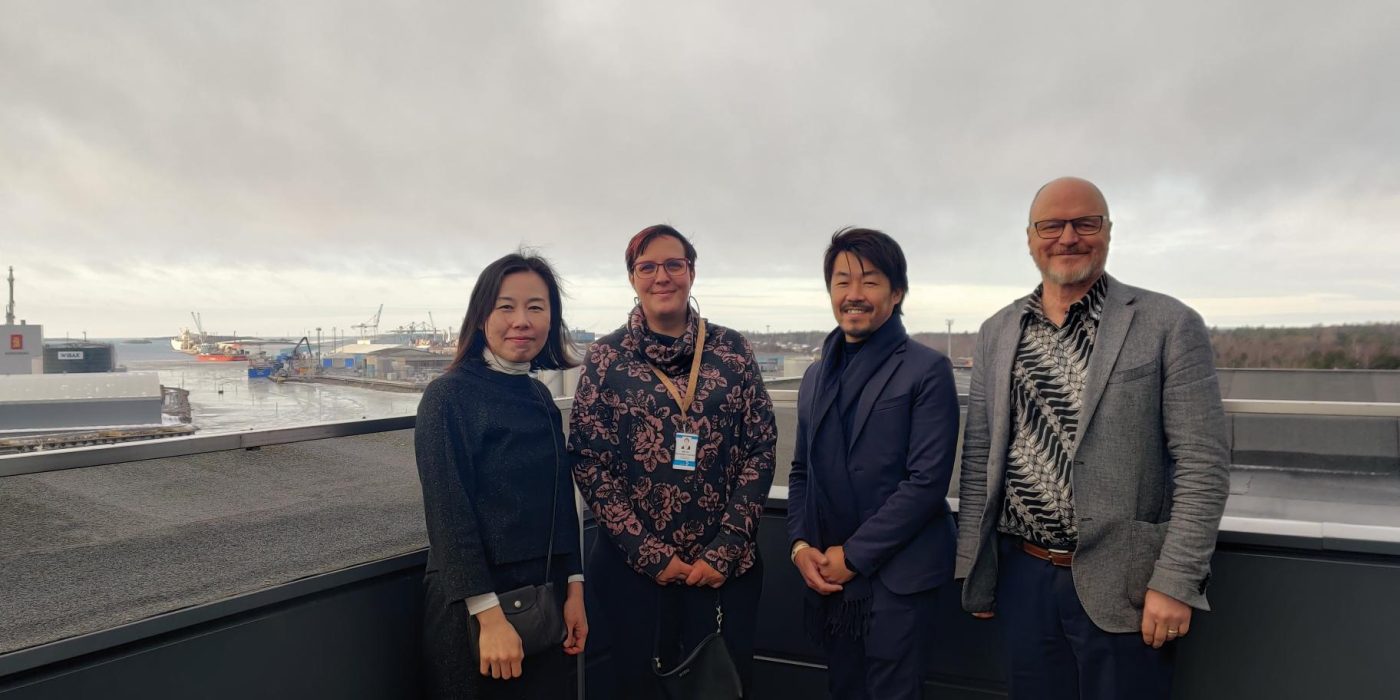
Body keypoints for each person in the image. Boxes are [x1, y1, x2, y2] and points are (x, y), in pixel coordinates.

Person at [955, 177, 1230, 699]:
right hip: (1023, 577)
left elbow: (1203, 464)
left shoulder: (1167, 323)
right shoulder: (998, 331)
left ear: (1107, 231)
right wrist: (976, 569)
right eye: (1051, 225)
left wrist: (1176, 581)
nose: (1068, 237)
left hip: (1126, 587)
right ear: (1030, 238)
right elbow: (978, 458)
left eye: (1085, 223)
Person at [569, 224, 777, 698]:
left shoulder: (733, 351)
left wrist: (724, 549)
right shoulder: (605, 357)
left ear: (691, 272)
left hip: (723, 573)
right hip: (633, 573)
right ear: (632, 278)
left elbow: (761, 447)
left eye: (673, 264)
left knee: (721, 687)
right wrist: (650, 554)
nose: (661, 276)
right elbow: (587, 459)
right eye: (647, 266)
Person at [786, 228, 961, 700]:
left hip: (898, 579)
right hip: (829, 576)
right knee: (843, 687)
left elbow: (926, 484)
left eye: (870, 281)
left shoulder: (926, 369)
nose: (854, 295)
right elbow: (802, 471)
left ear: (897, 292)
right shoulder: (816, 375)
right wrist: (801, 545)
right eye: (842, 282)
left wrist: (853, 556)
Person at [415, 252, 588, 699]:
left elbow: (559, 501)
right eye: (505, 307)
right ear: (481, 317)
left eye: (536, 307)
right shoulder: (448, 396)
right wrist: (489, 617)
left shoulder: (538, 395)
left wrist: (574, 587)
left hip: (543, 603)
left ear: (552, 318)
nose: (521, 320)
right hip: (476, 611)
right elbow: (449, 515)